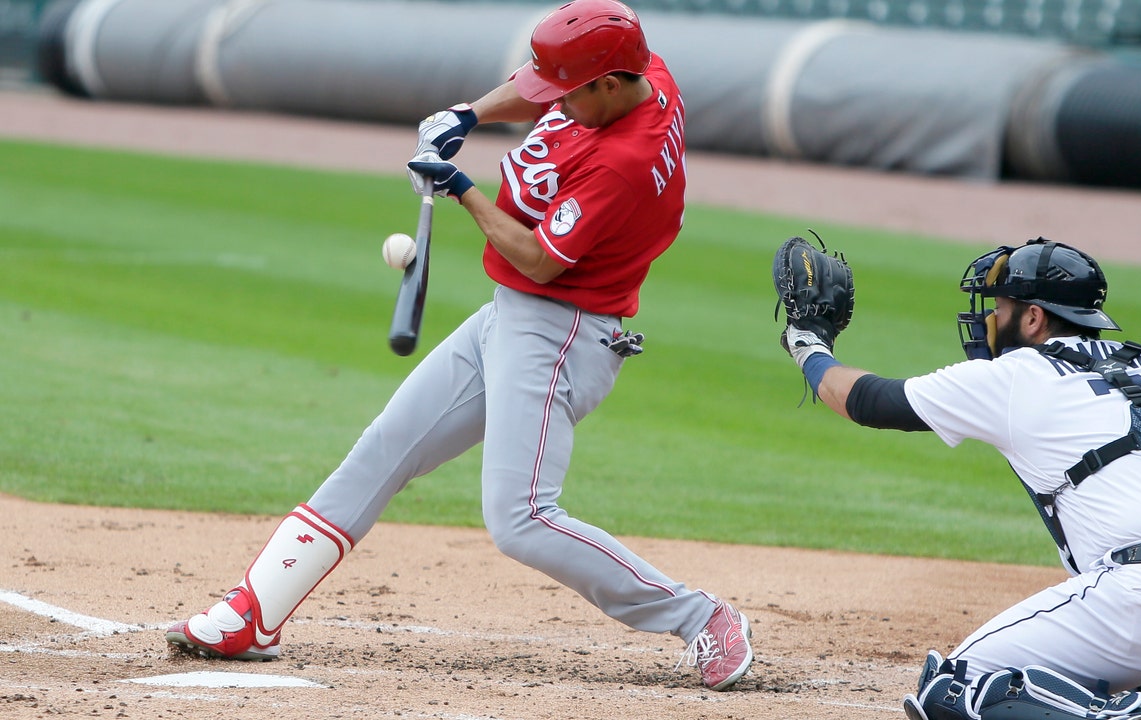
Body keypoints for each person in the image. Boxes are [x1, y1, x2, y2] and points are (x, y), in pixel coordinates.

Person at [165, 0, 754, 692]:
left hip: (563, 332)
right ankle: (254, 612)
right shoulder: (641, 67)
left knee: (522, 519)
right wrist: (468, 116)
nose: (553, 102)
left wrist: (460, 188)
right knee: (385, 446)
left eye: (568, 93)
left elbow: (537, 259)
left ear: (608, 86)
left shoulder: (624, 163)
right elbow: (537, 84)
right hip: (512, 316)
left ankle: (701, 617)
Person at [776, 236, 1141, 719]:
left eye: (1000, 307)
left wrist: (808, 345)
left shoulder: (1013, 378)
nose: (991, 319)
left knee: (951, 687)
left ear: (1034, 317)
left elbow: (868, 401)